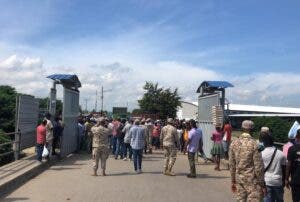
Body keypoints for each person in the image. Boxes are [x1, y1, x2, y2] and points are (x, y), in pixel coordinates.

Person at [229, 120, 266, 202]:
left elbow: (231, 164)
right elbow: (258, 166)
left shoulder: (234, 143)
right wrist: (262, 183)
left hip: (240, 180)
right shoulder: (255, 144)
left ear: (242, 128)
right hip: (253, 182)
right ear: (252, 130)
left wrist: (233, 180)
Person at [261, 132, 286, 202]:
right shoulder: (281, 154)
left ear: (264, 142)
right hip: (278, 181)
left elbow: (259, 170)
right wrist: (284, 181)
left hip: (266, 181)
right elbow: (284, 169)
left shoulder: (261, 154)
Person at [286, 128, 300, 202]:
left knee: (295, 199)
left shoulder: (292, 149)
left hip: (296, 179)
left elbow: (289, 165)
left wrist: (286, 179)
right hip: (296, 180)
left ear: (297, 136)